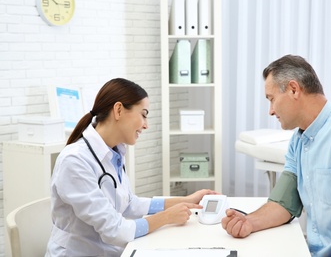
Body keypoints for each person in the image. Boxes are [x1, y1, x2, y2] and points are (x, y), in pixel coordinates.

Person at [221, 55, 331, 256]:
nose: (271, 111)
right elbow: (283, 203)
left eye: (271, 99)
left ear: (294, 89)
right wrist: (248, 222)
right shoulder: (299, 140)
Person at [45, 78, 217, 256]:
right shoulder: (75, 161)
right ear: (118, 110)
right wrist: (166, 217)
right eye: (143, 114)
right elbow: (115, 230)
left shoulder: (114, 152)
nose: (146, 124)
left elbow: (128, 204)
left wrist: (186, 201)